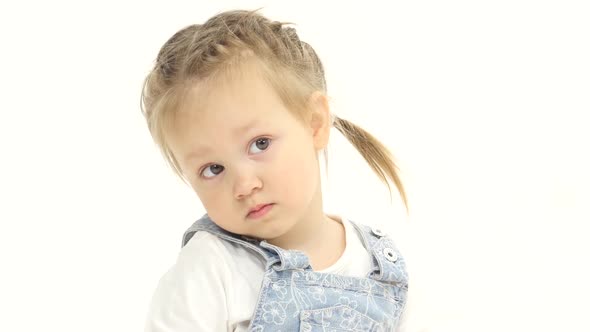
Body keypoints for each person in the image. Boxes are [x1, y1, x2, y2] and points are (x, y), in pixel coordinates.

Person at [141, 8, 421, 331]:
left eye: (260, 144)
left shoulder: (382, 270)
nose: (243, 185)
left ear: (314, 122)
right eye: (213, 168)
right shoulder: (211, 268)